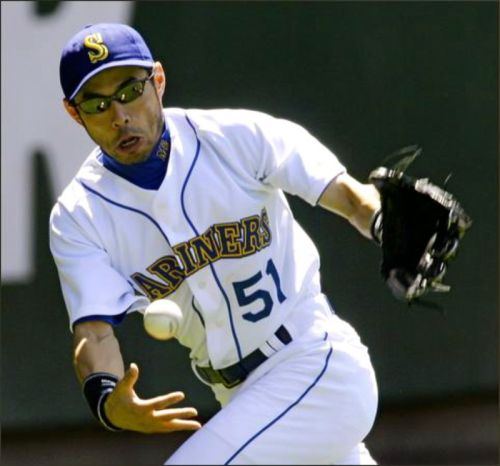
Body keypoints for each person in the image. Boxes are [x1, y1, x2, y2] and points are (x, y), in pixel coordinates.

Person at [50, 22, 382, 465]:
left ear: (158, 81)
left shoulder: (236, 137)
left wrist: (383, 222)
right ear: (75, 113)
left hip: (314, 364)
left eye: (130, 90)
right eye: (97, 103)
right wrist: (107, 399)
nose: (119, 115)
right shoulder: (78, 216)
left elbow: (351, 198)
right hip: (240, 398)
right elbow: (93, 332)